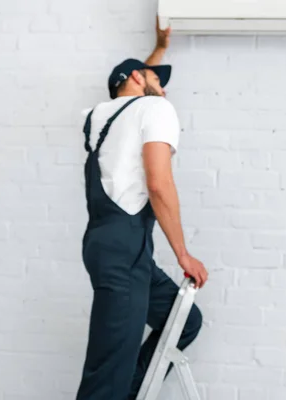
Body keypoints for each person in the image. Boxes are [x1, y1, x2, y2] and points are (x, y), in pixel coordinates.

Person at [76, 17, 208, 400]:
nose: (163, 88)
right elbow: (158, 183)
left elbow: (128, 91)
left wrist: (158, 52)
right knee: (107, 368)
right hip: (126, 248)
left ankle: (129, 392)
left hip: (105, 244)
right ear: (137, 78)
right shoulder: (154, 109)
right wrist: (183, 253)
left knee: (183, 321)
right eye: (157, 79)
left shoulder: (95, 117)